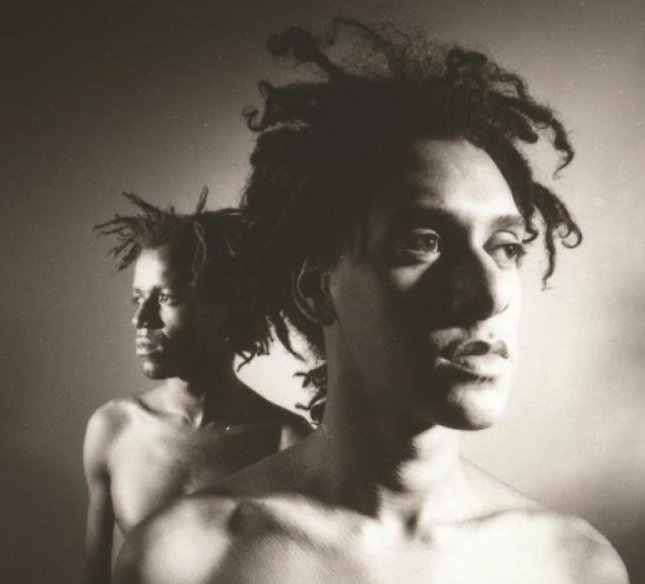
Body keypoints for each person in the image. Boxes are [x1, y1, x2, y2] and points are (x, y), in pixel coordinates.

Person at [115, 20, 628, 584]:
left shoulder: (575, 566)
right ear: (315, 289)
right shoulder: (187, 559)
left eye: (505, 247)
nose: (489, 295)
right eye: (422, 242)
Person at [84, 190, 310, 584]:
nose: (142, 319)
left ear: (227, 307)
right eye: (137, 299)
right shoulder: (114, 428)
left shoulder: (285, 441)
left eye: (167, 297)